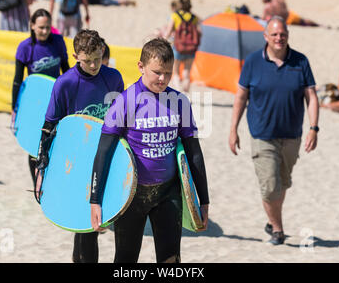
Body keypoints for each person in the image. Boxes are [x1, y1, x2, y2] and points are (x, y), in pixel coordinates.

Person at [90, 38, 209, 263]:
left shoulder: (179, 101)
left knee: (171, 259)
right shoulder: (125, 102)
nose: (163, 79)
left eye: (167, 72)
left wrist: (203, 199)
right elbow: (103, 151)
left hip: (168, 192)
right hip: (131, 195)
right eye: (157, 72)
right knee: (125, 259)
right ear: (141, 67)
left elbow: (194, 152)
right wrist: (95, 200)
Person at [35, 29, 124, 263]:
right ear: (75, 57)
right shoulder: (65, 84)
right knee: (87, 226)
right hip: (76, 160)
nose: (94, 65)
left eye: (97, 58)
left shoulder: (113, 78)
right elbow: (48, 128)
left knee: (90, 223)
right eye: (87, 60)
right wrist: (41, 169)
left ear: (102, 51)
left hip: (104, 157)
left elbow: (122, 121)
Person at [228, 16, 319, 245]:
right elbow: (240, 97)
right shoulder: (252, 62)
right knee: (270, 187)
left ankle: (272, 221)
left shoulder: (301, 61)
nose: (279, 38)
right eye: (275, 34)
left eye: (283, 34)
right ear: (265, 36)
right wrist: (233, 129)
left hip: (292, 136)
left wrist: (314, 128)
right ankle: (278, 229)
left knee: (282, 183)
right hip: (262, 135)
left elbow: (311, 96)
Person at [12, 8, 70, 186]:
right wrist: (15, 109)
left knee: (55, 143)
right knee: (34, 145)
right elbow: (17, 81)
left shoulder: (58, 42)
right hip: (35, 104)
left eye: (47, 27)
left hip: (56, 100)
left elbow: (66, 71)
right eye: (41, 27)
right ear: (32, 26)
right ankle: (36, 183)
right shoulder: (25, 47)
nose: (44, 31)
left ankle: (50, 179)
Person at [163, 0, 201, 92]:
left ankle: (179, 92)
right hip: (191, 48)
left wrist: (162, 40)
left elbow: (168, 32)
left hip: (178, 47)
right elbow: (199, 32)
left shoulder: (175, 16)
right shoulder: (194, 17)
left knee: (175, 72)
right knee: (187, 72)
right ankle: (186, 93)